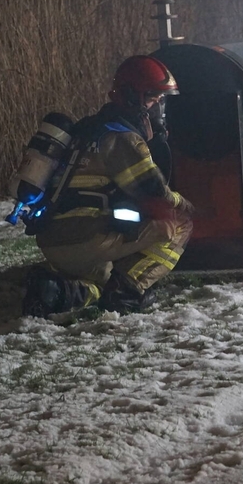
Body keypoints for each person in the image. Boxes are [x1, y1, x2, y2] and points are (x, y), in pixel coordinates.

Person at [22, 55, 194, 317]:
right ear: (130, 97)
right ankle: (126, 293)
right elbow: (157, 198)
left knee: (99, 282)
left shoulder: (84, 130)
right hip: (88, 238)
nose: (158, 108)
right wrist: (190, 206)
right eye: (152, 99)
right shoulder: (123, 139)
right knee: (180, 222)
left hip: (52, 241)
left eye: (161, 101)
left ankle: (55, 291)